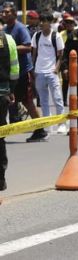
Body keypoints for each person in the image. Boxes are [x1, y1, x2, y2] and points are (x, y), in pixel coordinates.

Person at [2, 3, 41, 140]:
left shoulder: (20, 28)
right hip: (11, 73)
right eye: (3, 12)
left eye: (7, 12)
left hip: (24, 72)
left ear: (13, 14)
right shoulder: (6, 29)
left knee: (27, 101)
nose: (4, 14)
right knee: (7, 100)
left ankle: (40, 129)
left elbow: (28, 46)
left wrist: (9, 48)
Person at [31, 12, 65, 136]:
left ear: (49, 23)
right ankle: (47, 123)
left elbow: (61, 55)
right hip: (39, 72)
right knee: (43, 101)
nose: (41, 23)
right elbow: (34, 53)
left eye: (43, 21)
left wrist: (56, 69)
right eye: (40, 21)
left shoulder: (56, 36)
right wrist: (33, 69)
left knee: (57, 98)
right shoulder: (36, 35)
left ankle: (61, 124)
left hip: (52, 72)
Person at [0, 28, 19, 193]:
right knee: (0, 136)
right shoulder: (9, 40)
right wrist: (11, 90)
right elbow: (15, 71)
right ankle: (1, 180)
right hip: (3, 93)